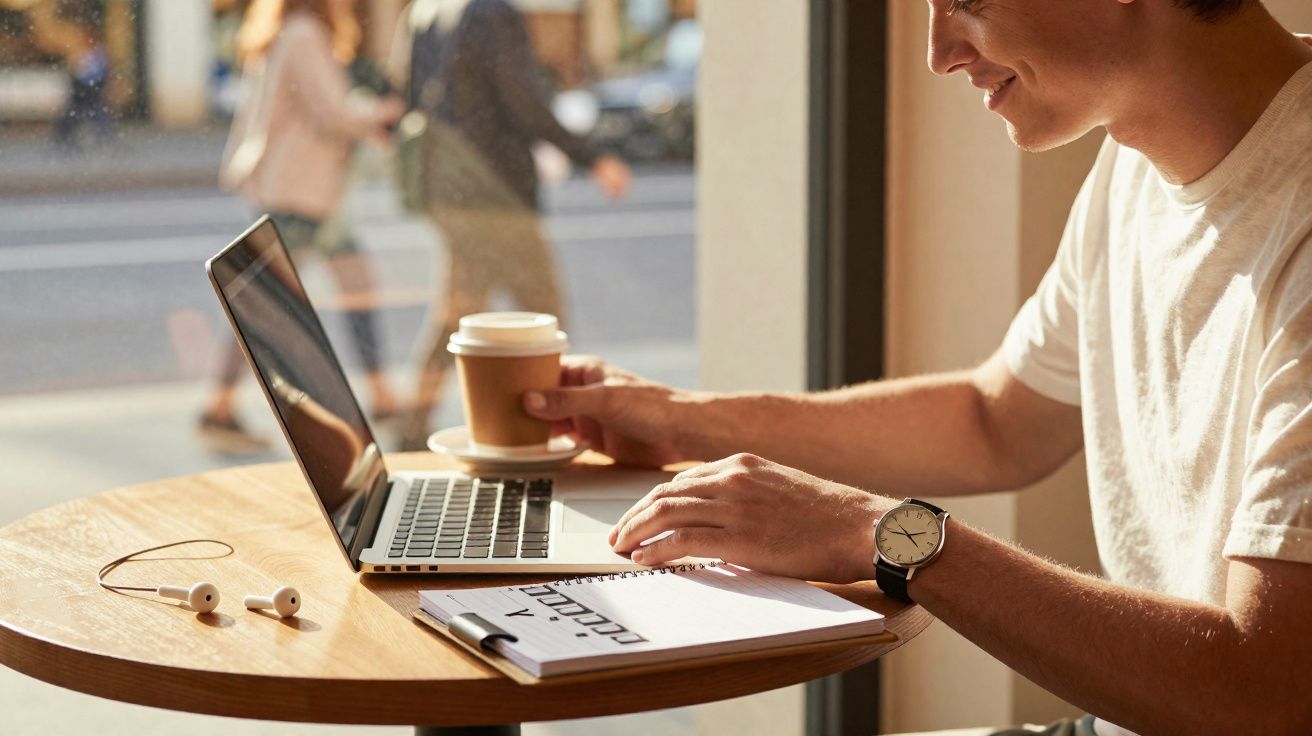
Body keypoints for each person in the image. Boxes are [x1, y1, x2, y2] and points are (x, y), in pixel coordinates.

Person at [518, 1, 1312, 734]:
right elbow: (997, 420)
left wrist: (877, 532)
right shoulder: (1136, 162)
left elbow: (1261, 692)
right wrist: (682, 422)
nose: (939, 52)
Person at [390, 0, 633, 449]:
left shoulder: (425, 11)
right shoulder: (491, 12)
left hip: (446, 185)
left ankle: (412, 427)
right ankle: (559, 424)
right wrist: (593, 156)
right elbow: (523, 100)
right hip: (494, 190)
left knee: (457, 310)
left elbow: (408, 96)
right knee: (545, 311)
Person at [201, 0, 405, 454]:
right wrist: (383, 114)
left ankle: (385, 398)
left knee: (355, 284)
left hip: (310, 194)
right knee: (261, 302)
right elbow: (332, 112)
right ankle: (217, 409)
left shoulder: (285, 32)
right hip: (300, 193)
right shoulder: (303, 35)